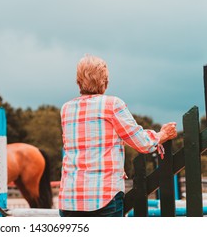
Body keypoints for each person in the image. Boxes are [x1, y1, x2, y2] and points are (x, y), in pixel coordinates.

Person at [58, 54, 177, 217]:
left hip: (69, 199)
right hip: (103, 198)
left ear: (78, 81)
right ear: (105, 81)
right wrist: (163, 134)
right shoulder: (112, 105)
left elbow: (86, 148)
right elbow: (142, 143)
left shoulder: (66, 109)